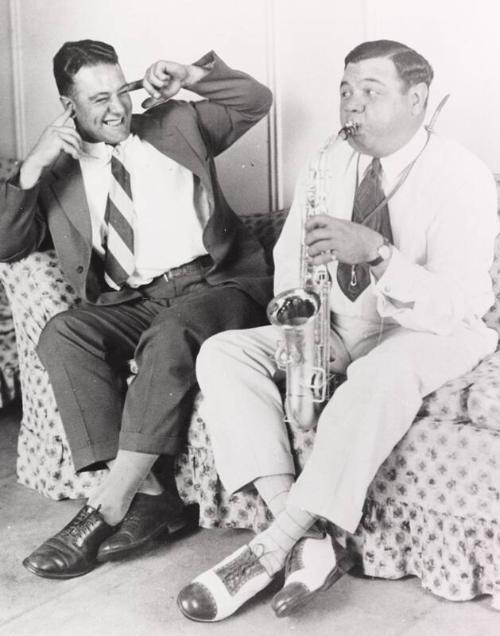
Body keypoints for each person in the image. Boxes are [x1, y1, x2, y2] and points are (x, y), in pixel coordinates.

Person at [176, 39, 499, 622]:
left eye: (371, 92)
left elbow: (453, 304)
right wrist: (306, 325)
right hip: (343, 321)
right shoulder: (328, 161)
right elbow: (291, 257)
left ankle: (267, 549)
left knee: (377, 376)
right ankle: (304, 536)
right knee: (223, 354)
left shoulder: (463, 175)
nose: (351, 105)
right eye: (345, 90)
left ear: (417, 98)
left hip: (435, 328)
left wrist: (376, 253)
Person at [0, 39, 273, 579]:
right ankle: (155, 496)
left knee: (171, 330)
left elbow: (254, 100)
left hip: (218, 286)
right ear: (68, 105)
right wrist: (32, 166)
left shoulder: (174, 123)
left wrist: (192, 74)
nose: (117, 108)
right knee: (64, 332)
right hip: (137, 300)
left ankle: (105, 504)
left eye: (120, 90)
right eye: (97, 99)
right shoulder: (60, 171)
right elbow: (8, 246)